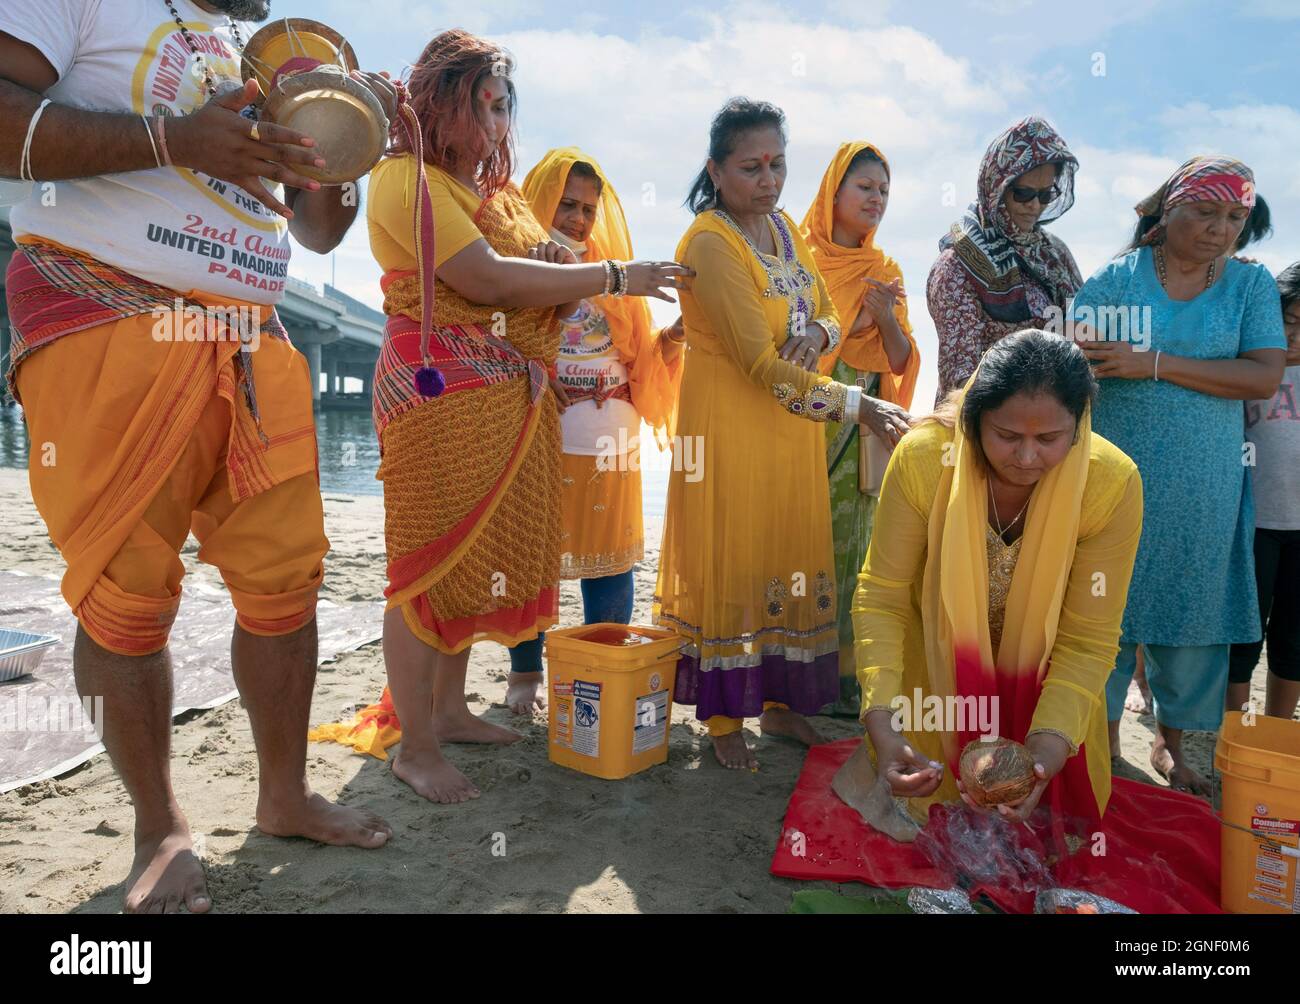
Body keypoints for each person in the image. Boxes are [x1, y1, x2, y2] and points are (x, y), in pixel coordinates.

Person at [0, 0, 399, 913]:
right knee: (126, 589)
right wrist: (178, 138)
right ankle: (159, 826)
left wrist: (346, 141)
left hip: (251, 331)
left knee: (286, 581)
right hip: (104, 306)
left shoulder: (253, 48)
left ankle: (285, 794)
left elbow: (320, 232)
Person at [363, 30, 687, 803]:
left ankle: (447, 712)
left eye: (503, 105)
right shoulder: (404, 180)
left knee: (471, 565)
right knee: (426, 567)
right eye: (477, 104)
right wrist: (613, 272)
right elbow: (490, 281)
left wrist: (566, 273)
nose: (493, 124)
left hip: (509, 398)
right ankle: (414, 747)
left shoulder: (497, 197)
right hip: (435, 391)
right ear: (433, 103)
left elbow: (552, 282)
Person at [834, 331, 1142, 835]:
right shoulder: (926, 459)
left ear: (1080, 425)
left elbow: (1089, 638)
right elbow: (883, 597)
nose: (1025, 458)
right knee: (918, 821)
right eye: (1006, 435)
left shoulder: (1110, 485)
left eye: (1048, 439)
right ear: (974, 418)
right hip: (933, 686)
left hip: (1046, 692)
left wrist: (1045, 751)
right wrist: (884, 725)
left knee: (1048, 837)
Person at [655, 98, 877, 771]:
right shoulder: (710, 243)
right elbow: (758, 364)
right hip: (729, 430)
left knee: (786, 561)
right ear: (716, 171)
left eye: (777, 164)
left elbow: (832, 311)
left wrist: (817, 331)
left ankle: (781, 707)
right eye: (752, 166)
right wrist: (854, 405)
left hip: (790, 439)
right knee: (734, 559)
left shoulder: (785, 229)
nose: (769, 179)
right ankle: (724, 720)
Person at [1073, 155, 1287, 796]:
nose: (1221, 229)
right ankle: (1104, 742)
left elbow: (1263, 376)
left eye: (1235, 217)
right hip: (1116, 481)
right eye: (1205, 211)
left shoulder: (1250, 288)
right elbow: (1071, 352)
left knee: (1191, 613)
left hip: (1205, 485)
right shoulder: (1117, 279)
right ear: (1168, 211)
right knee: (1104, 607)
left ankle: (1173, 748)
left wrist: (1155, 363)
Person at [502, 148, 686, 714]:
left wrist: (674, 339)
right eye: (566, 204)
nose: (579, 219)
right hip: (540, 438)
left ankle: (602, 667)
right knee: (532, 561)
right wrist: (530, 372)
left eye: (588, 207)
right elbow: (494, 343)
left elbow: (640, 361)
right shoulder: (513, 267)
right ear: (538, 201)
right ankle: (526, 673)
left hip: (613, 442)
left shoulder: (616, 275)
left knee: (612, 563)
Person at [801, 141, 920, 714]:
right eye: (865, 187)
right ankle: (793, 681)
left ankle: (844, 683)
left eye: (884, 191)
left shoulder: (885, 271)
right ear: (834, 192)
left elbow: (901, 360)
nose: (876, 199)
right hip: (808, 414)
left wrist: (886, 318)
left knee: (857, 546)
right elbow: (791, 351)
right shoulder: (798, 258)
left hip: (866, 424)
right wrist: (851, 320)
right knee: (802, 541)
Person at [927, 116, 1083, 401]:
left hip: (1054, 421)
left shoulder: (1055, 255)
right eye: (1023, 193)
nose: (1035, 205)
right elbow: (960, 379)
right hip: (987, 424)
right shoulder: (958, 264)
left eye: (1046, 194)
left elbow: (1085, 331)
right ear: (996, 187)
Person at [1228, 262, 1300, 720]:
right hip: (1251, 525)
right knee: (1243, 634)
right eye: (1288, 320)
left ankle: (1277, 730)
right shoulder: (1249, 369)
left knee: (1294, 640)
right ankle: (1238, 729)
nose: (1294, 335)